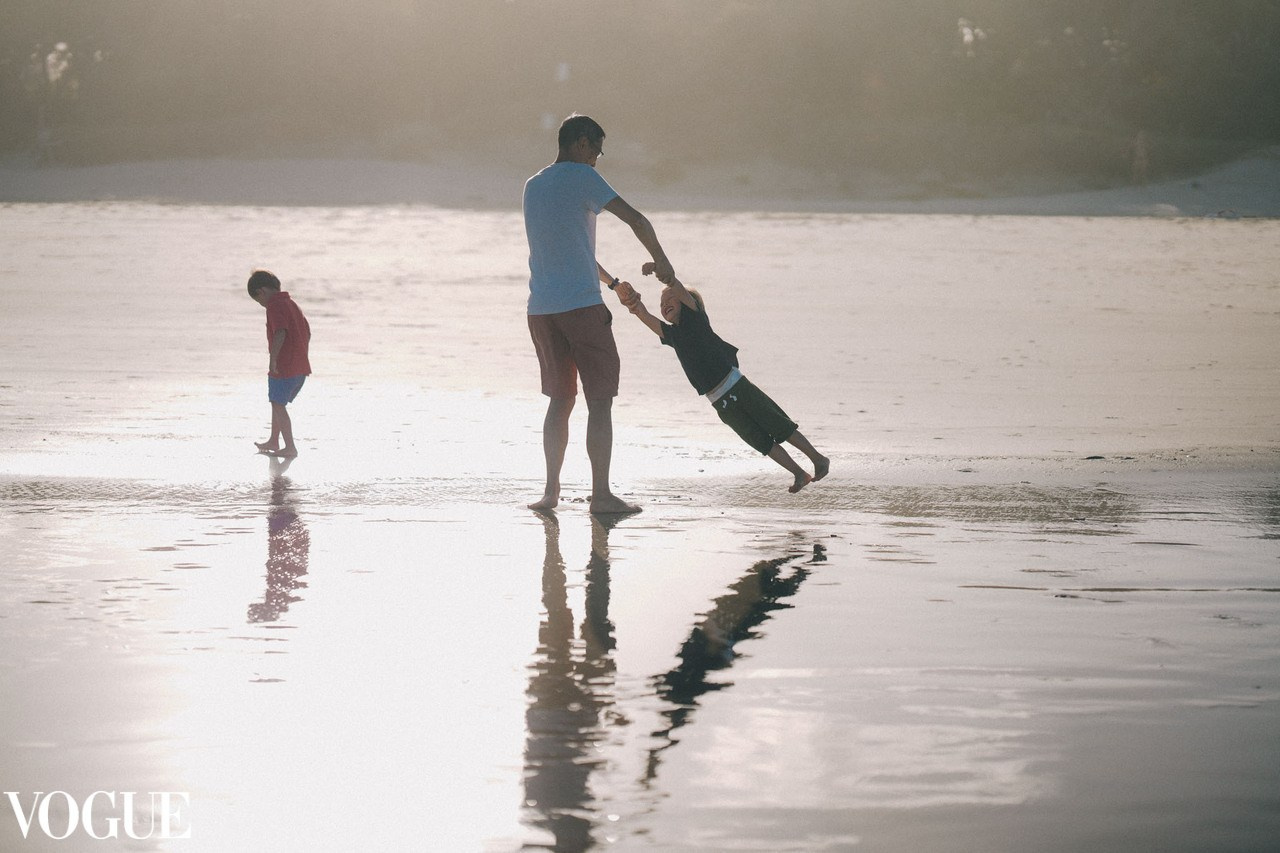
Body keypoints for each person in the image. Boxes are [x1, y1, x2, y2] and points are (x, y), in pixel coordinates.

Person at [523, 114, 675, 514]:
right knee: (600, 401)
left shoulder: (533, 186)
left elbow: (569, 252)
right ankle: (602, 496)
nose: (597, 161)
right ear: (582, 143)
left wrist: (612, 283)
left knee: (559, 401)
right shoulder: (583, 177)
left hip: (541, 310)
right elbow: (637, 219)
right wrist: (662, 262)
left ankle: (550, 493)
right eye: (597, 152)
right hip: (581, 308)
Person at [613, 266, 829, 493]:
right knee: (762, 442)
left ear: (686, 303)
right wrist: (632, 301)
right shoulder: (673, 336)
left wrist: (660, 268)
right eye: (661, 303)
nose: (665, 304)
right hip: (718, 401)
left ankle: (817, 458)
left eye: (671, 299)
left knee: (778, 426)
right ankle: (798, 473)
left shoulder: (696, 318)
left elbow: (674, 283)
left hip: (738, 387)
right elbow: (644, 315)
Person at [246, 269, 311, 458]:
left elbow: (280, 332)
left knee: (278, 404)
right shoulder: (292, 304)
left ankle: (290, 446)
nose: (261, 304)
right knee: (277, 402)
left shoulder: (274, 306)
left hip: (284, 367)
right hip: (299, 366)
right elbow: (307, 332)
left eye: (258, 300)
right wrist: (301, 355)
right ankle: (274, 440)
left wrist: (273, 358)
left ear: (262, 292)